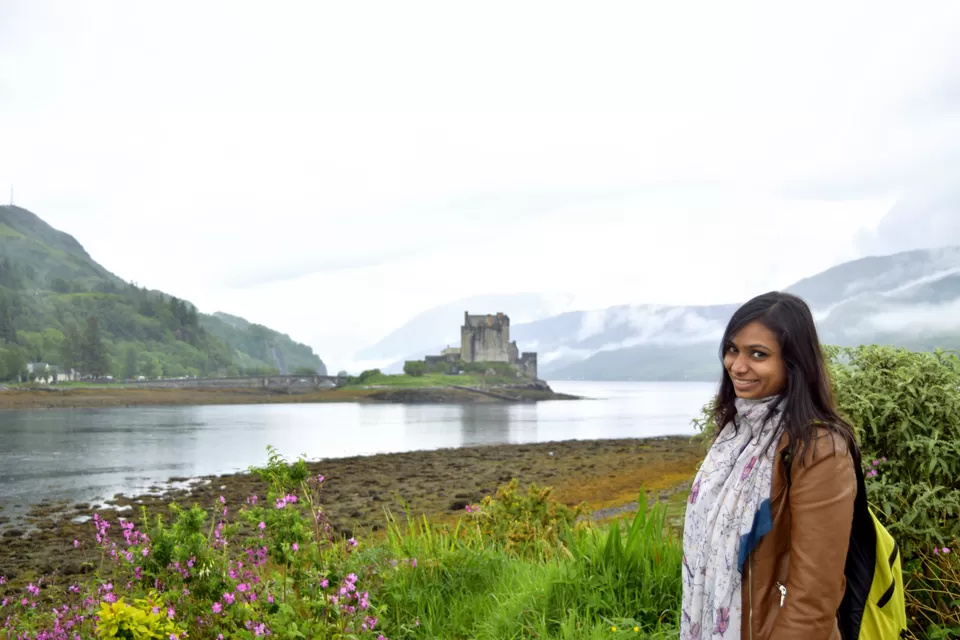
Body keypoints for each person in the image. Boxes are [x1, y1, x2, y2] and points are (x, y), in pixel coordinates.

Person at [681, 291, 859, 640]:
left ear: (794, 362)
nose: (737, 365)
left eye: (758, 354)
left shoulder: (819, 450)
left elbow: (815, 597)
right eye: (732, 349)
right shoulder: (736, 434)